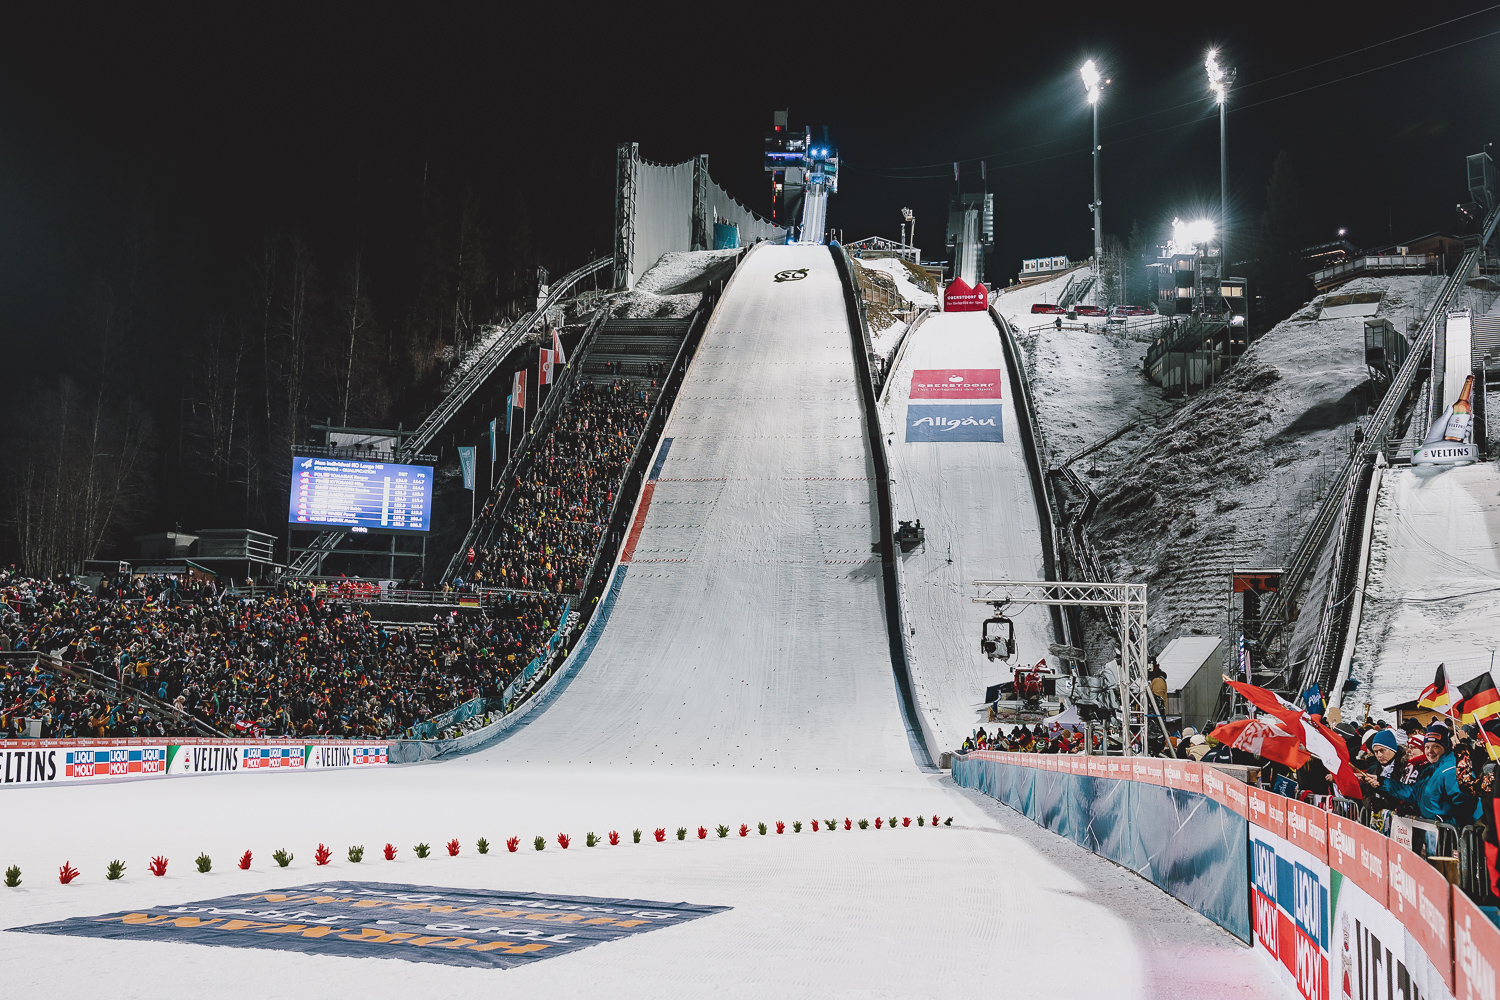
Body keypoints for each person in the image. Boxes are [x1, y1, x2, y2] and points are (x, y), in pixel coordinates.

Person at [1380, 727, 1481, 826]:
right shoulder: (1430, 769)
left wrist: (1448, 823)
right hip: (1435, 829)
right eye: (1427, 747)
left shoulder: (1450, 769)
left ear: (1445, 747)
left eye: (1436, 746)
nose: (1430, 751)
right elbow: (1415, 792)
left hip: (1449, 832)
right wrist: (1382, 782)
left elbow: (1465, 804)